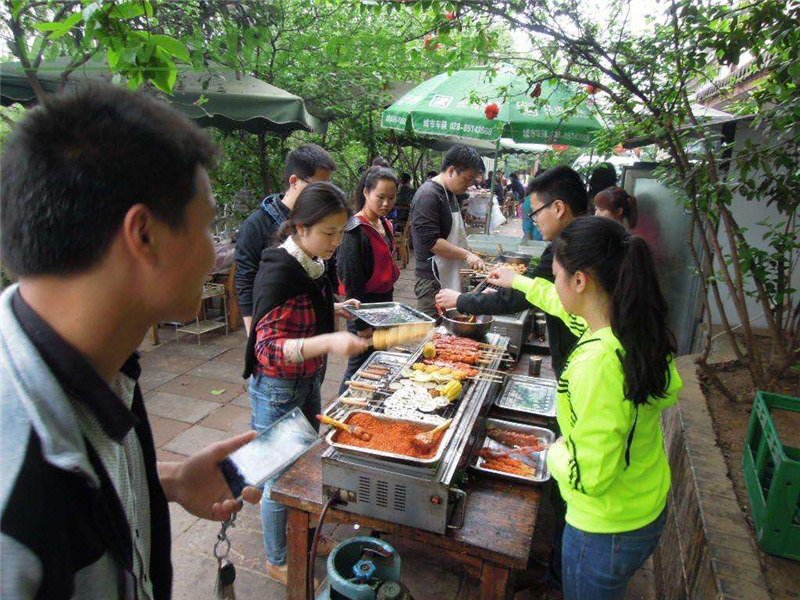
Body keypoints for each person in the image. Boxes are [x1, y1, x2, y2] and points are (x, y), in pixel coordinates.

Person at [0, 84, 261, 599]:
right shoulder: (16, 510)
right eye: (208, 228)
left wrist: (165, 480)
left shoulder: (97, 358)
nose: (214, 253)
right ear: (143, 235)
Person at [487, 216, 681, 599]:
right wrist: (519, 282)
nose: (554, 283)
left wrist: (551, 450)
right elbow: (561, 308)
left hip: (603, 529)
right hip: (640, 504)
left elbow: (588, 478)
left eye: (557, 276)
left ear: (580, 281)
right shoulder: (629, 329)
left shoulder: (598, 365)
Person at [242, 181, 369, 585]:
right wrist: (329, 341)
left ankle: (301, 530)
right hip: (278, 388)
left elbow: (306, 302)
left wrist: (336, 308)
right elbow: (267, 349)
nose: (336, 242)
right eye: (329, 232)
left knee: (301, 463)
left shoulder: (311, 261)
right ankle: (277, 558)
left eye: (341, 232)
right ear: (300, 227)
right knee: (282, 477)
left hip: (307, 380)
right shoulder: (280, 271)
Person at [436, 166, 588, 375]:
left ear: (558, 208)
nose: (535, 221)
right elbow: (542, 291)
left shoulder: (571, 248)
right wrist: (516, 281)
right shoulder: (584, 237)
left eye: (536, 212)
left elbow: (531, 294)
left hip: (577, 361)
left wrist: (461, 300)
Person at [235, 144, 336, 334]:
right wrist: (252, 333)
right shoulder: (256, 225)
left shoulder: (318, 220)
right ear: (294, 181)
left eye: (328, 186)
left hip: (311, 323)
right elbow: (246, 280)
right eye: (318, 186)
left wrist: (332, 306)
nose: (324, 193)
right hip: (276, 329)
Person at [336, 167, 401, 392]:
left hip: (384, 303)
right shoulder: (354, 231)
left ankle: (367, 402)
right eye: (380, 197)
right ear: (366, 192)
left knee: (377, 361)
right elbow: (352, 281)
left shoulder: (384, 224)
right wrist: (360, 324)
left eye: (391, 198)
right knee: (358, 366)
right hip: (362, 306)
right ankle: (343, 403)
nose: (386, 203)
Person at [410, 145, 486, 317]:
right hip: (432, 279)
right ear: (451, 171)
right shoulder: (428, 195)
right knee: (431, 325)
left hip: (449, 270)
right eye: (467, 179)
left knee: (449, 325)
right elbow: (432, 243)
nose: (469, 185)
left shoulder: (449, 192)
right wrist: (466, 254)